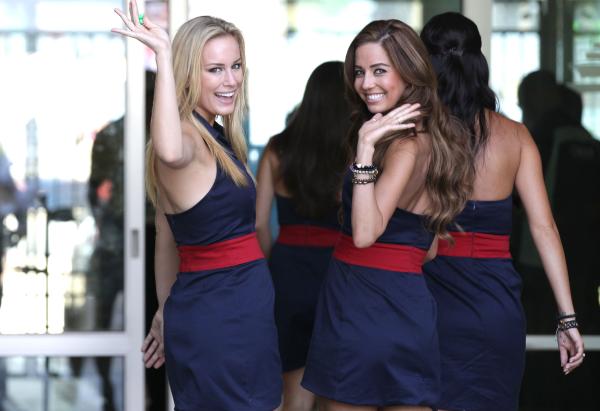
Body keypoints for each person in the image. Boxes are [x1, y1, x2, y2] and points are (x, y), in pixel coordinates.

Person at [112, 2, 282, 410]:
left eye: (235, 66)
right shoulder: (186, 140)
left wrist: (165, 309)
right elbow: (169, 149)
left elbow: (166, 239)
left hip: (229, 311)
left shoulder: (215, 138)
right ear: (190, 71)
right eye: (215, 69)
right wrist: (164, 55)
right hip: (225, 319)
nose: (231, 80)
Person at [301, 19, 474, 411]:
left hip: (360, 302)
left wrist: (363, 152)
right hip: (408, 304)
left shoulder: (402, 145)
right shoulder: (433, 137)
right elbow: (426, 250)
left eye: (380, 71)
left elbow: (364, 233)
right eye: (360, 72)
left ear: (410, 73)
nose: (366, 83)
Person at [420, 12, 585, 411]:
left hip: (430, 302)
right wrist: (567, 318)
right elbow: (544, 228)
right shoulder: (515, 136)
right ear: (479, 62)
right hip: (496, 308)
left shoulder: (418, 136)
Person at [255, 60, 351, 411]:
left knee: (293, 391)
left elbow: (260, 224)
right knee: (335, 388)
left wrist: (269, 268)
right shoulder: (354, 152)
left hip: (287, 271)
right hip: (338, 271)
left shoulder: (277, 148)